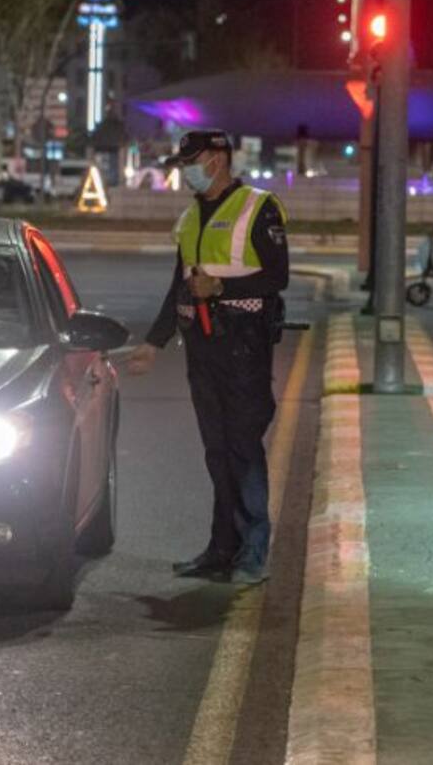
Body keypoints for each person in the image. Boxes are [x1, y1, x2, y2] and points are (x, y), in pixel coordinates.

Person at [127, 130, 288, 585]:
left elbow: (278, 276)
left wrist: (221, 289)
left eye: (191, 162)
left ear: (217, 159)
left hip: (243, 348)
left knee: (242, 449)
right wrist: (153, 343)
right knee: (217, 452)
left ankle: (254, 551)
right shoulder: (192, 217)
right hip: (202, 348)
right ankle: (222, 549)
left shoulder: (259, 207)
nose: (185, 172)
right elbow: (178, 285)